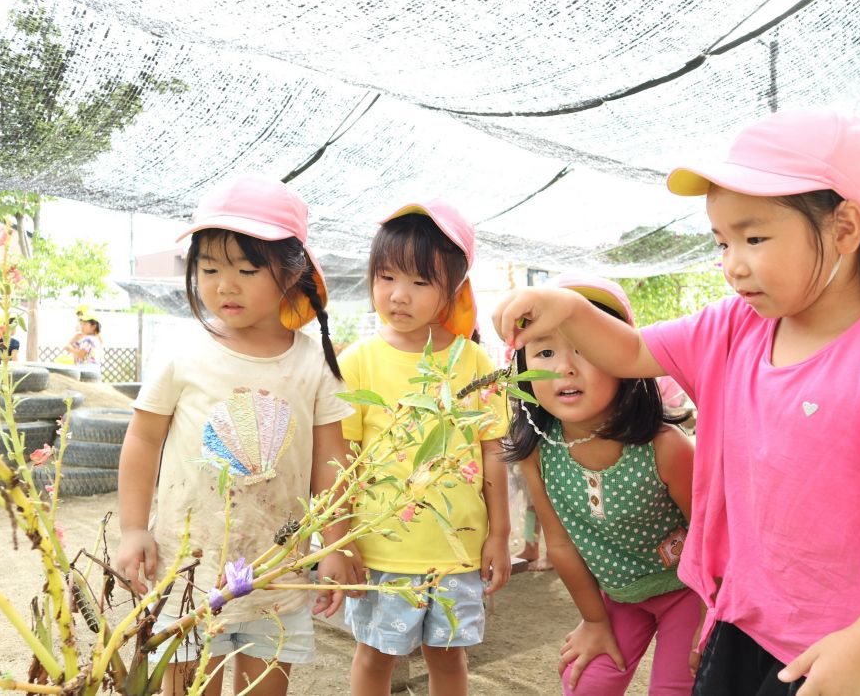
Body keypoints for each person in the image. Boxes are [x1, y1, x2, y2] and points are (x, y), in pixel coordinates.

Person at [492, 110, 860, 696]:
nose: (733, 264)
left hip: (850, 654)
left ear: (846, 228)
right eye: (723, 241)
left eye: (754, 238)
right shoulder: (735, 328)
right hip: (744, 621)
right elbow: (632, 350)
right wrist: (568, 309)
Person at [116, 174, 353, 696]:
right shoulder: (182, 349)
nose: (226, 284)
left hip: (276, 575)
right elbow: (143, 441)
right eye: (209, 268)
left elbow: (332, 460)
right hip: (186, 570)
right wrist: (133, 528)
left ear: (292, 273)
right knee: (182, 687)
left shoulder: (313, 362)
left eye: (248, 269)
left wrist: (336, 545)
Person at [338, 199, 511, 696]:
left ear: (451, 290)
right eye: (387, 277)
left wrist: (498, 534)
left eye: (419, 282)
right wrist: (344, 538)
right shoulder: (359, 363)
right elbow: (344, 461)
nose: (398, 295)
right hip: (382, 550)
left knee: (450, 659)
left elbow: (492, 451)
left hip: (457, 550)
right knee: (373, 658)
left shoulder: (474, 361)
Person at [503, 272, 698, 695]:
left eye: (585, 348)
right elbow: (560, 544)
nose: (565, 367)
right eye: (545, 351)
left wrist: (715, 617)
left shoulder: (666, 447)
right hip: (620, 598)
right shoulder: (540, 450)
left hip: (689, 592)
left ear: (625, 358)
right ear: (520, 370)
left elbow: (713, 534)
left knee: (675, 689)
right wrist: (594, 621)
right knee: (583, 683)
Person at [64, 310, 102, 376]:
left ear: (93, 326)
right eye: (81, 324)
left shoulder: (89, 339)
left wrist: (70, 349)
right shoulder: (92, 338)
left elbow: (81, 354)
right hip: (92, 369)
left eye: (85, 324)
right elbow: (75, 346)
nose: (82, 326)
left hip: (88, 368)